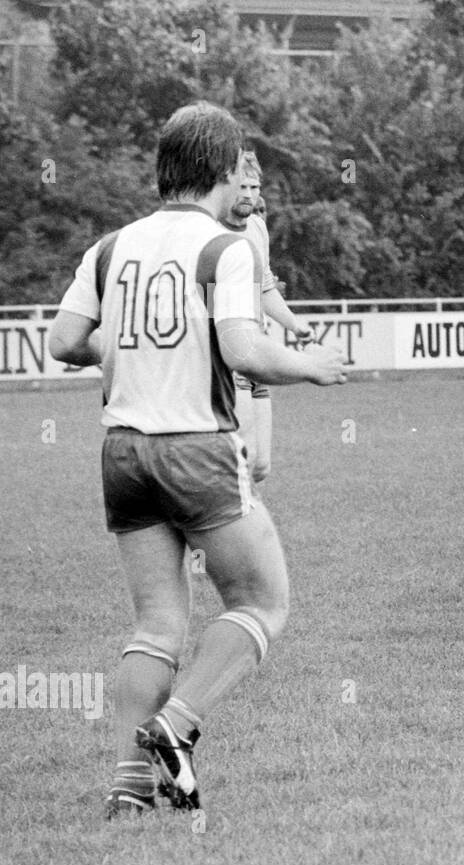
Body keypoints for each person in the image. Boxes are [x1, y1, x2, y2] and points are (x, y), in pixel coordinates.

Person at [49, 101, 347, 817]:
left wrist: (127, 349)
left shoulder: (110, 246)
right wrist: (312, 366)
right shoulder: (226, 248)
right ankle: (175, 724)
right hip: (195, 449)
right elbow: (244, 351)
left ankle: (128, 783)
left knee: (156, 625)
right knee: (262, 601)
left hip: (123, 453)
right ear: (221, 168)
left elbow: (63, 341)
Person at [221, 151, 314, 483]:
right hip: (229, 357)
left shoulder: (258, 228)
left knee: (260, 466)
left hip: (258, 349)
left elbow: (265, 286)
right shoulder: (209, 230)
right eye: (242, 186)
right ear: (226, 185)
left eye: (254, 186)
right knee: (243, 461)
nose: (248, 194)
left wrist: (294, 324)